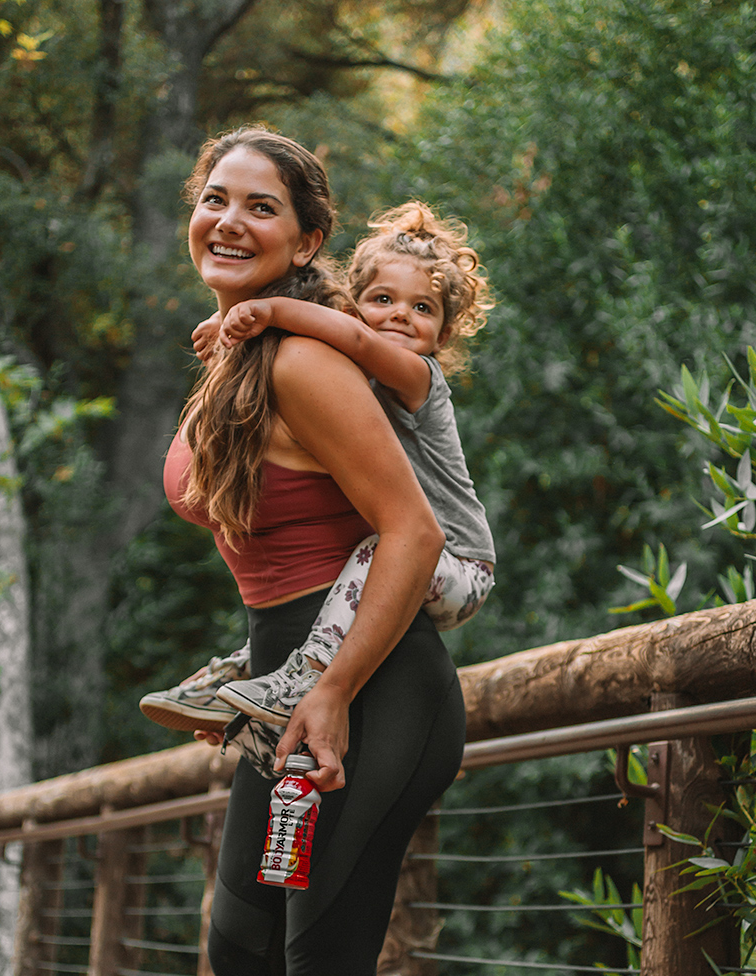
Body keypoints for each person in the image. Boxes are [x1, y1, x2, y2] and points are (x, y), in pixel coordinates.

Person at [153, 127, 466, 976]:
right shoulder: (239, 357)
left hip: (371, 697)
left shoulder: (303, 361)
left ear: (309, 238)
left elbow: (413, 534)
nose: (228, 222)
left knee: (318, 972)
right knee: (240, 944)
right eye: (213, 200)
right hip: (288, 692)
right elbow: (277, 556)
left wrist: (328, 691)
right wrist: (264, 684)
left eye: (260, 208)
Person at [138, 203, 494, 741]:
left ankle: (304, 675)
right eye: (381, 299)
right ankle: (239, 676)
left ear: (443, 335)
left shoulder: (418, 378)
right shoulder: (346, 378)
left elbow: (354, 338)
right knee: (354, 570)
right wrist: (237, 327)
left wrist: (267, 312)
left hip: (459, 567)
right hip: (406, 567)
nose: (400, 314)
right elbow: (334, 333)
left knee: (376, 550)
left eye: (422, 307)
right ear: (356, 304)